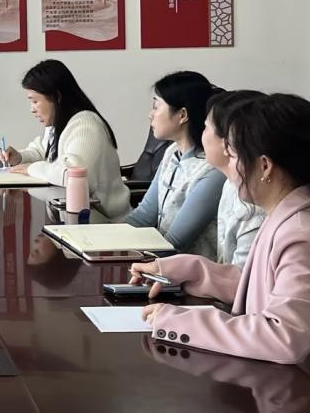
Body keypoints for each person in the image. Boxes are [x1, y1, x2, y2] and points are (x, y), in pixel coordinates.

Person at [133, 93, 310, 364]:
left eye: (234, 155)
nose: (229, 166)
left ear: (265, 166)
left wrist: (181, 322)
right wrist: (190, 270)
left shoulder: (299, 233)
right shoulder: (284, 214)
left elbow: (284, 336)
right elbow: (260, 289)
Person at [1, 59, 130, 220]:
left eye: (35, 101)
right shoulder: (60, 123)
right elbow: (43, 151)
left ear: (56, 97)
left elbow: (74, 173)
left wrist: (32, 168)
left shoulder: (86, 126)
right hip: (79, 217)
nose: (32, 109)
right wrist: (20, 157)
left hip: (105, 222)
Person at [123, 72, 224, 257]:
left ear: (182, 115)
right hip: (158, 261)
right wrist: (100, 239)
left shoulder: (211, 171)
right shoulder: (172, 152)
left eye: (156, 106)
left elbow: (174, 243)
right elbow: (143, 216)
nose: (150, 115)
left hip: (188, 270)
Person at [203, 89, 267, 267]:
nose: (201, 134)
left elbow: (241, 277)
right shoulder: (230, 184)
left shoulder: (254, 207)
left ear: (227, 140)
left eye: (206, 127)